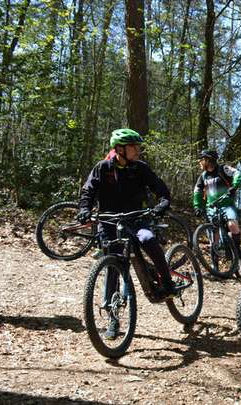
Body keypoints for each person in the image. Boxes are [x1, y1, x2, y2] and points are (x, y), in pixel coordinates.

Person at [77, 128, 177, 339]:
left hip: (136, 218)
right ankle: (113, 322)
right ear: (120, 149)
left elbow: (161, 189)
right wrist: (84, 209)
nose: (138, 150)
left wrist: (163, 203)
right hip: (109, 221)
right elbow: (88, 190)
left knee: (148, 239)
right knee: (113, 265)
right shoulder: (103, 168)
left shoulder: (140, 169)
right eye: (134, 146)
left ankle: (167, 283)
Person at [192, 149, 241, 260]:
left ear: (208, 160)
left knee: (232, 225)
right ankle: (215, 266)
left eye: (201, 160)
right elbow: (197, 191)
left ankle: (237, 250)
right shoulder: (203, 176)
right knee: (214, 238)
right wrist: (197, 206)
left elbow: (237, 173)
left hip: (227, 205)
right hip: (211, 208)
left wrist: (234, 186)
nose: (199, 162)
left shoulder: (223, 169)